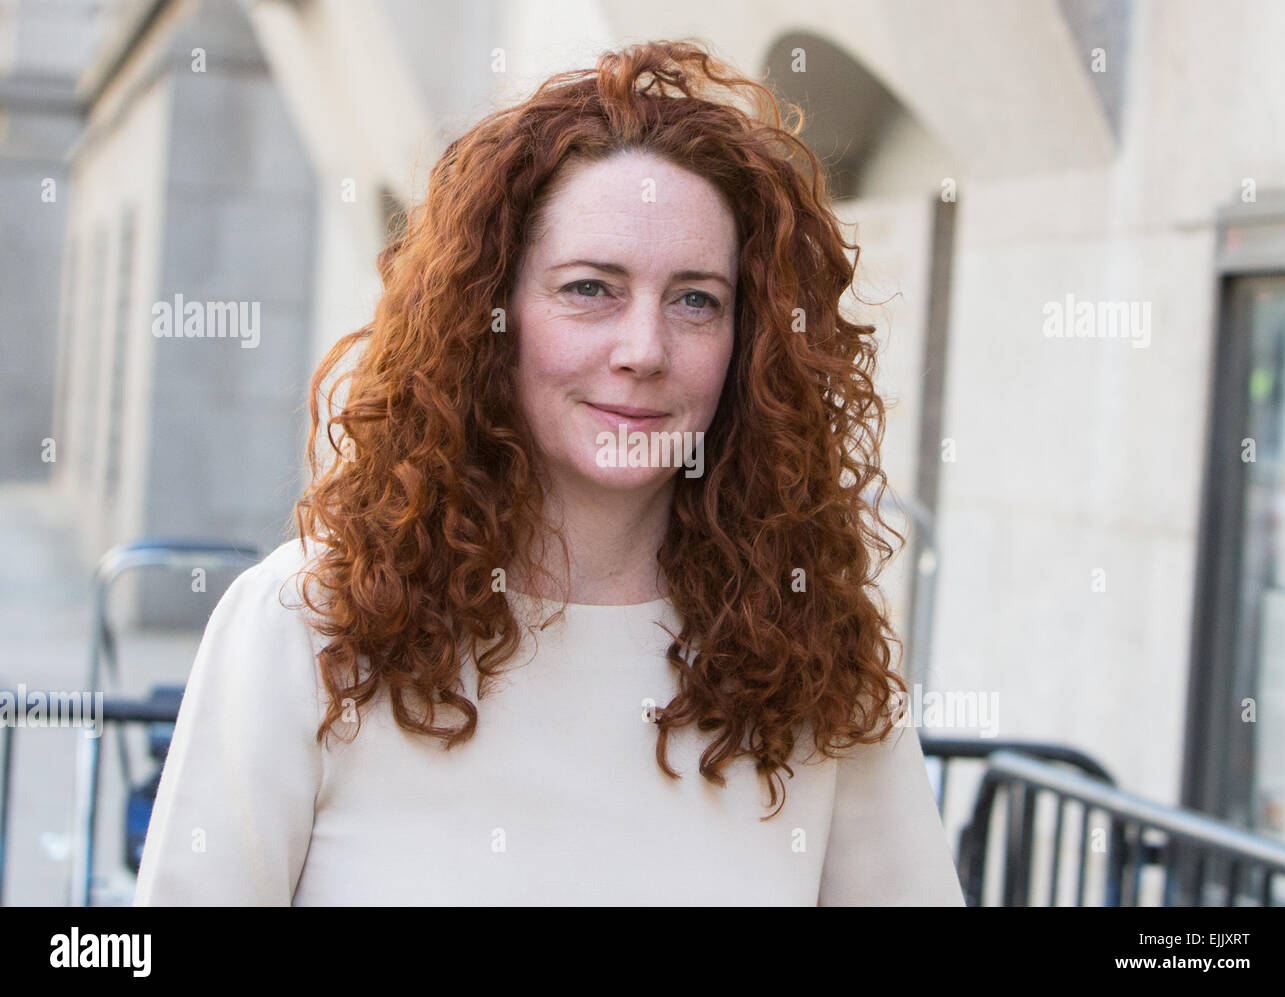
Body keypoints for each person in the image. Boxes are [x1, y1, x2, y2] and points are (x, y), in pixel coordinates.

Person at [134, 39, 966, 906]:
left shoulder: (812, 655)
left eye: (696, 300)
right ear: (490, 319)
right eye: (589, 288)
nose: (643, 350)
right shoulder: (307, 631)